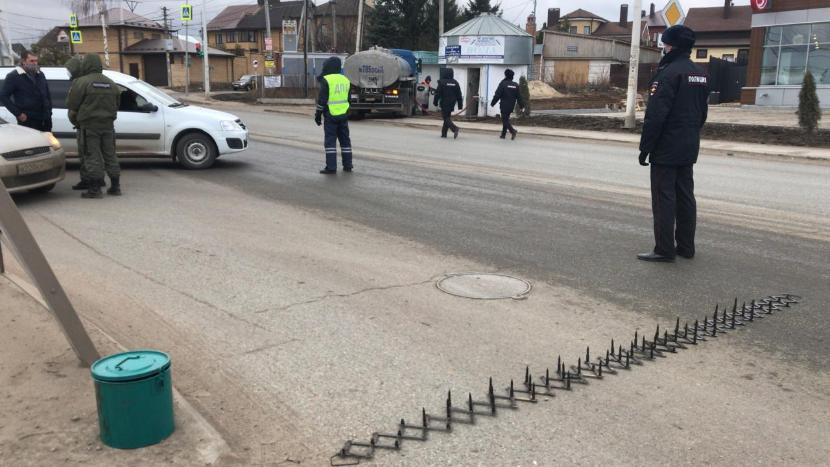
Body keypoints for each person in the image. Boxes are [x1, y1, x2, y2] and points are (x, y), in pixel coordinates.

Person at [637, 25, 709, 262]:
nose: (663, 47)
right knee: (686, 196)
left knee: (663, 197)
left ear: (672, 46)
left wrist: (645, 147)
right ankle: (686, 247)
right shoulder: (699, 73)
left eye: (665, 43)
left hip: (666, 146)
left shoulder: (668, 73)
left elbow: (656, 115)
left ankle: (664, 249)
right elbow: (702, 113)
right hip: (689, 144)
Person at [66, 54, 122, 198]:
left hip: (89, 127)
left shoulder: (81, 82)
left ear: (87, 65)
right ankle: (115, 187)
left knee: (92, 156)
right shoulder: (111, 83)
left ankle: (95, 189)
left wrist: (77, 118)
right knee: (110, 156)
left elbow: (72, 104)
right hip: (108, 126)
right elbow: (117, 104)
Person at [315, 56, 353, 174]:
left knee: (330, 142)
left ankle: (331, 167)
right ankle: (348, 165)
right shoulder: (346, 80)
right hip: (343, 115)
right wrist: (347, 111)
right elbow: (349, 99)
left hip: (331, 115)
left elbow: (322, 100)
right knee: (345, 141)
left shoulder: (326, 80)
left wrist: (318, 114)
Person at [0, 51, 53, 132]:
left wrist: (49, 111)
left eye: (36, 61)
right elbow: (3, 96)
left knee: (48, 143)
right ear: (23, 61)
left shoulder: (40, 74)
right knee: (33, 143)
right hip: (28, 120)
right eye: (32, 61)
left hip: (45, 118)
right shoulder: (14, 76)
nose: (35, 63)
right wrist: (18, 114)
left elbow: (47, 94)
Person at [490, 69, 525, 140]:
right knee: (506, 119)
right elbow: (519, 97)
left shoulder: (503, 84)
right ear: (512, 76)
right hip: (511, 106)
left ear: (505, 75)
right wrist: (522, 106)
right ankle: (503, 135)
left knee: (504, 120)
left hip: (504, 105)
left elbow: (497, 95)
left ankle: (513, 131)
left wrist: (493, 103)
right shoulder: (516, 85)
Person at [433, 67, 463, 139]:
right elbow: (459, 94)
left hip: (444, 102)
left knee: (445, 117)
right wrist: (460, 105)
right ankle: (444, 134)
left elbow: (438, 93)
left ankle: (454, 128)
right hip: (452, 102)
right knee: (447, 117)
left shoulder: (442, 82)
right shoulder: (455, 83)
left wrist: (435, 102)